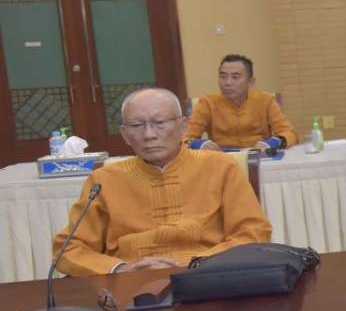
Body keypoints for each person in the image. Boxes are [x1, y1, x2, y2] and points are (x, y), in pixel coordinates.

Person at [53, 87, 272, 276]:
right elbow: (68, 250)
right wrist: (121, 269)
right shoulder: (104, 180)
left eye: (159, 123)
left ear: (183, 127)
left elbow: (253, 232)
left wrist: (197, 263)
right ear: (125, 134)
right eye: (137, 125)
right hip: (131, 282)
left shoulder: (220, 167)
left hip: (207, 275)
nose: (149, 134)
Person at [183, 54, 298, 151]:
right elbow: (185, 139)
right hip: (222, 160)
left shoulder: (266, 100)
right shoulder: (207, 103)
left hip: (259, 157)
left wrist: (274, 142)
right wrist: (199, 144)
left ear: (251, 82)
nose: (227, 83)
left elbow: (290, 134)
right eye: (223, 76)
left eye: (235, 77)